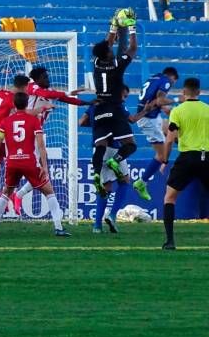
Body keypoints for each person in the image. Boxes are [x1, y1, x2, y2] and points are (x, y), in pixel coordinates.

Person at [9, 67, 92, 213]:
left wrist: (89, 103)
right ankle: (13, 194)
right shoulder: (33, 87)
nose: (48, 79)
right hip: (26, 132)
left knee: (40, 169)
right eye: (45, 77)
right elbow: (46, 93)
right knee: (37, 169)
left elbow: (67, 99)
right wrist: (67, 92)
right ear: (37, 79)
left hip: (36, 132)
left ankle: (17, 195)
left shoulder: (49, 91)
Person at [0, 92, 70, 237]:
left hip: (12, 162)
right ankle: (59, 228)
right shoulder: (33, 121)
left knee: (6, 193)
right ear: (27, 104)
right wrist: (44, 166)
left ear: (13, 104)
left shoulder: (5, 122)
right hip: (29, 162)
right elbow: (41, 145)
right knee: (49, 192)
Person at [80, 85, 154, 233]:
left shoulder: (95, 106)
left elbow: (81, 122)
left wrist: (98, 124)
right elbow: (132, 119)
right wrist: (146, 110)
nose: (124, 99)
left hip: (99, 147)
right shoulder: (117, 106)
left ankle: (97, 226)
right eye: (124, 96)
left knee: (112, 185)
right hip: (116, 148)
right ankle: (111, 216)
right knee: (123, 182)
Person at [89, 10, 139, 198]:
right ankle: (115, 161)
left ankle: (95, 173)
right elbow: (132, 48)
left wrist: (113, 26)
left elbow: (106, 44)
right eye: (110, 49)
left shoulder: (96, 62)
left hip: (99, 108)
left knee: (100, 145)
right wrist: (131, 25)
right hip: (115, 108)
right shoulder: (117, 63)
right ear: (108, 54)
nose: (112, 48)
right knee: (131, 145)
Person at [161, 77, 209, 249]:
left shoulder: (178, 111)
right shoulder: (207, 110)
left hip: (187, 157)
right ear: (200, 92)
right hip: (207, 156)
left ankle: (170, 241)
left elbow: (169, 140)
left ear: (183, 92)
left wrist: (164, 161)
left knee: (170, 198)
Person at [0, 75, 31, 224]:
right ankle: (5, 193)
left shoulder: (0, 93)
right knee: (17, 164)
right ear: (23, 87)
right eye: (28, 87)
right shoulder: (15, 101)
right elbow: (22, 115)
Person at [132, 67, 179, 200]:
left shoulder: (154, 77)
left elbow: (154, 99)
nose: (172, 85)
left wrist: (164, 107)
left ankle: (178, 155)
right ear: (173, 77)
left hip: (153, 117)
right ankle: (142, 182)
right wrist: (177, 100)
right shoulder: (167, 81)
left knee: (173, 130)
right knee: (162, 155)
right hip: (148, 120)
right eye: (174, 82)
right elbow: (159, 100)